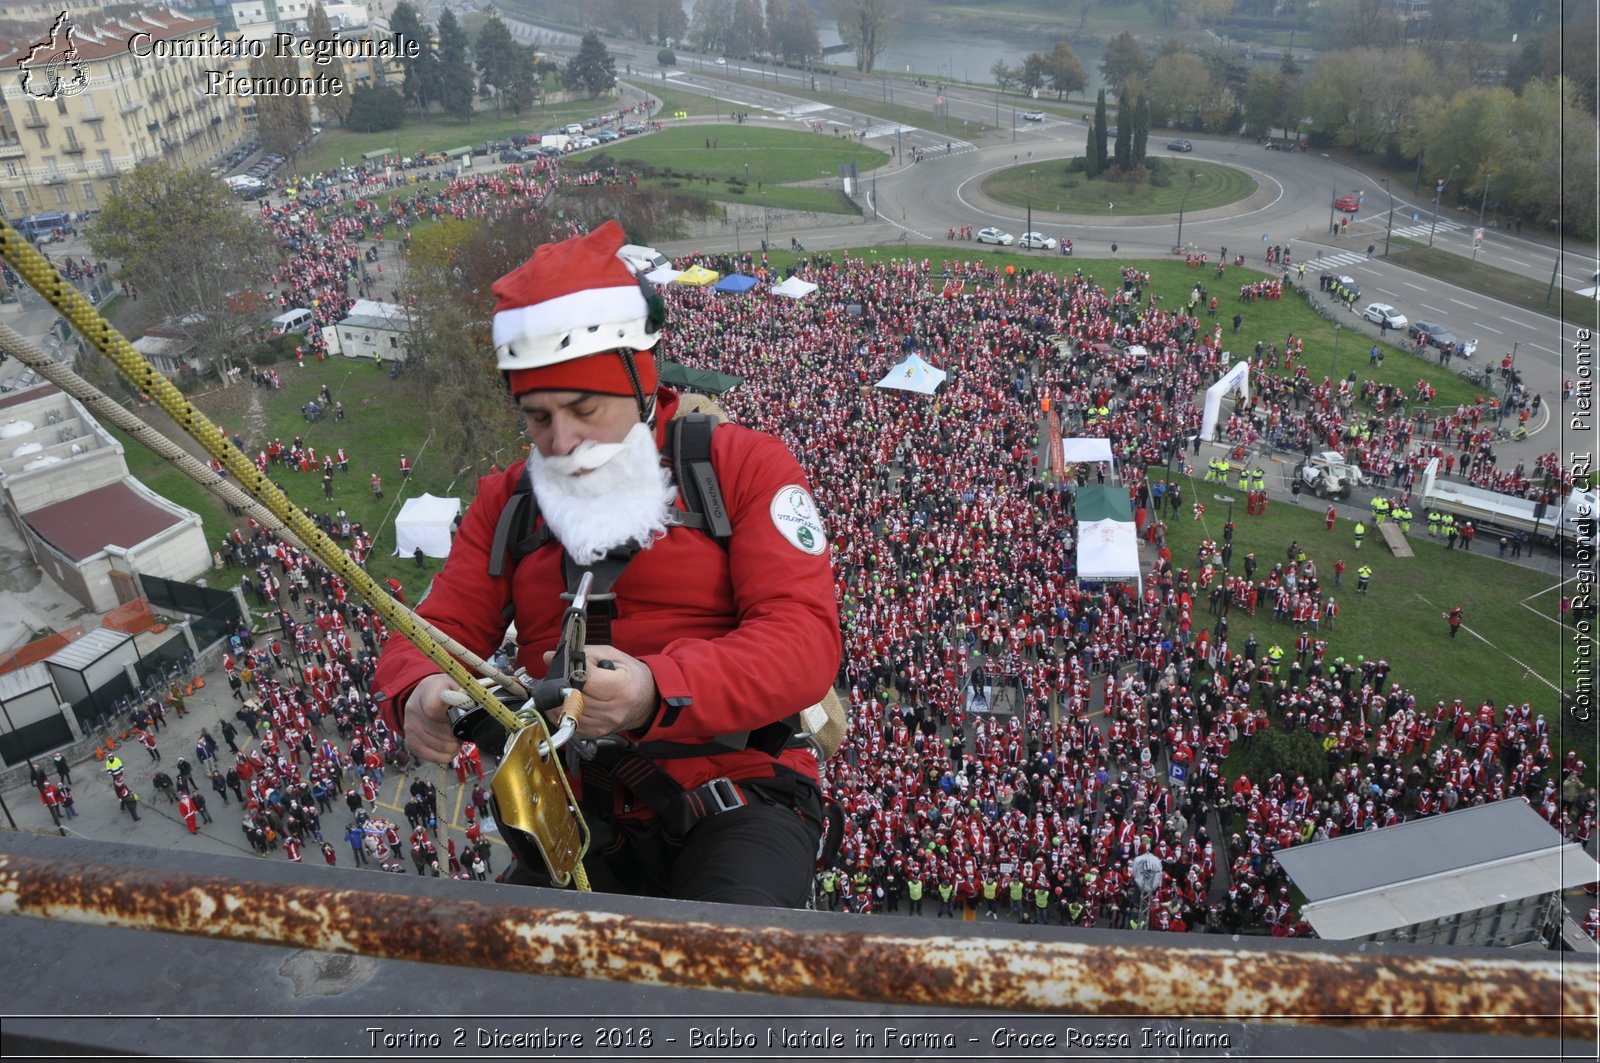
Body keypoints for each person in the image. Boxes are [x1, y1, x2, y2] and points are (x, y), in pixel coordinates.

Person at [374, 221, 839, 909]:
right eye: (537, 418)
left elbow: (804, 641)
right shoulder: (507, 504)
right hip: (578, 821)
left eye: (584, 408)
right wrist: (416, 691)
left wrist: (658, 687)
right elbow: (433, 630)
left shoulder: (743, 467)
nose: (561, 441)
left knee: (723, 975)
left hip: (739, 798)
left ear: (640, 381)